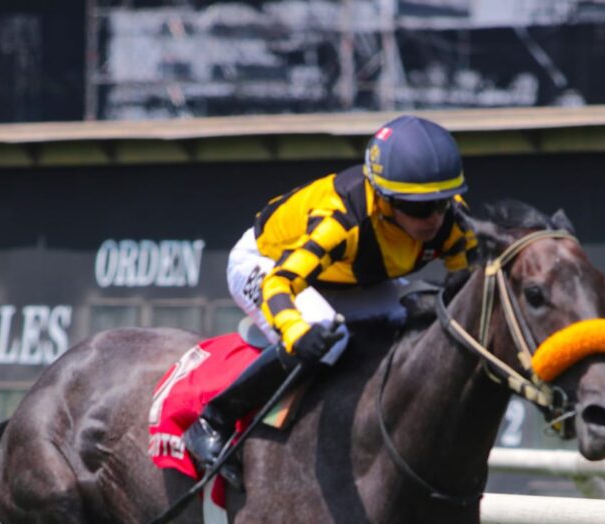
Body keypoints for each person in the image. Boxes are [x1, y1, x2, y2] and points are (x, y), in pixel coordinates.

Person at [183, 113, 479, 480]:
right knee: (326, 335)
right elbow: (280, 283)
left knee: (415, 319)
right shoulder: (340, 221)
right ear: (383, 200)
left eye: (442, 202)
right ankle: (215, 419)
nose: (433, 218)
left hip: (348, 277)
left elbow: (466, 279)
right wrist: (296, 333)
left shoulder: (451, 223)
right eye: (418, 207)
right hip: (269, 262)